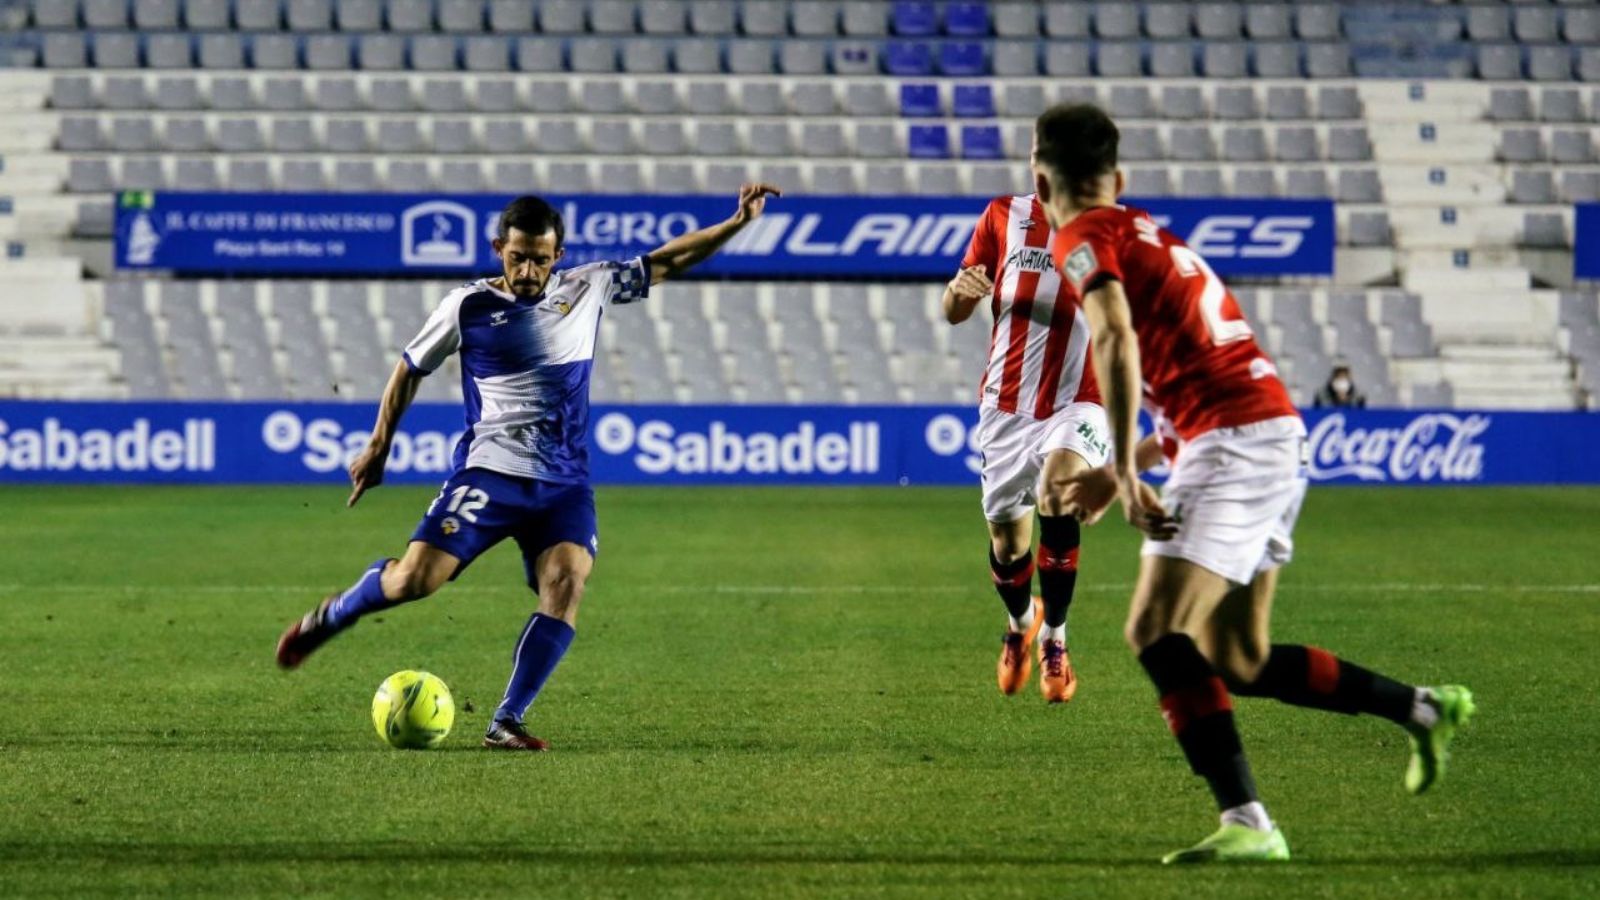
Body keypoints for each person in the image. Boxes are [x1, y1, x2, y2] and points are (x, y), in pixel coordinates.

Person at [1030, 104, 1474, 864]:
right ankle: (1426, 710)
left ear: (1041, 182)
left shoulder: (1081, 237)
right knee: (1236, 657)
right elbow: (1196, 373)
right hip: (1264, 433)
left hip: (1235, 443)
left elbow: (1113, 335)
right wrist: (1122, 467)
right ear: (1119, 179)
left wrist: (1127, 471)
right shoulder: (1153, 237)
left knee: (1155, 630)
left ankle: (1249, 821)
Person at [276, 185, 782, 751]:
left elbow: (669, 260)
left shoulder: (588, 286)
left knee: (566, 584)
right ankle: (337, 611)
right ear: (499, 249)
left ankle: (506, 721)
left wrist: (737, 222)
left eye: (540, 259)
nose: (527, 271)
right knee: (414, 582)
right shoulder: (466, 306)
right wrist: (378, 447)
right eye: (517, 258)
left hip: (563, 483)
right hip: (489, 473)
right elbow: (409, 368)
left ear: (558, 255)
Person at [943, 187, 1109, 704]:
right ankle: (1021, 622)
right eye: (1038, 156)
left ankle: (1055, 638)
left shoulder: (1119, 226)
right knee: (1008, 545)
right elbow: (953, 311)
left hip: (1080, 399)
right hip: (1006, 405)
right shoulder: (1003, 215)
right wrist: (961, 291)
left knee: (1058, 493)